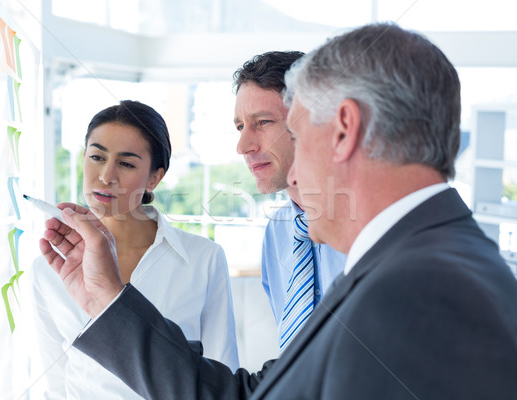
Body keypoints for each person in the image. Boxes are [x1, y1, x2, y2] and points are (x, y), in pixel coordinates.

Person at [40, 24, 517, 399]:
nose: (292, 174)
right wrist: (107, 298)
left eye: (297, 131)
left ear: (344, 129)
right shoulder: (418, 262)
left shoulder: (425, 289)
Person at [30, 100, 239, 399]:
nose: (106, 176)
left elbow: (223, 372)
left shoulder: (203, 259)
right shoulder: (50, 269)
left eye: (126, 163)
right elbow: (54, 384)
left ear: (154, 177)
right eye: (97, 156)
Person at [233, 52, 346, 349]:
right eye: (240, 127)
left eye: (264, 122)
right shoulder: (278, 233)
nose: (243, 146)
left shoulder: (366, 225)